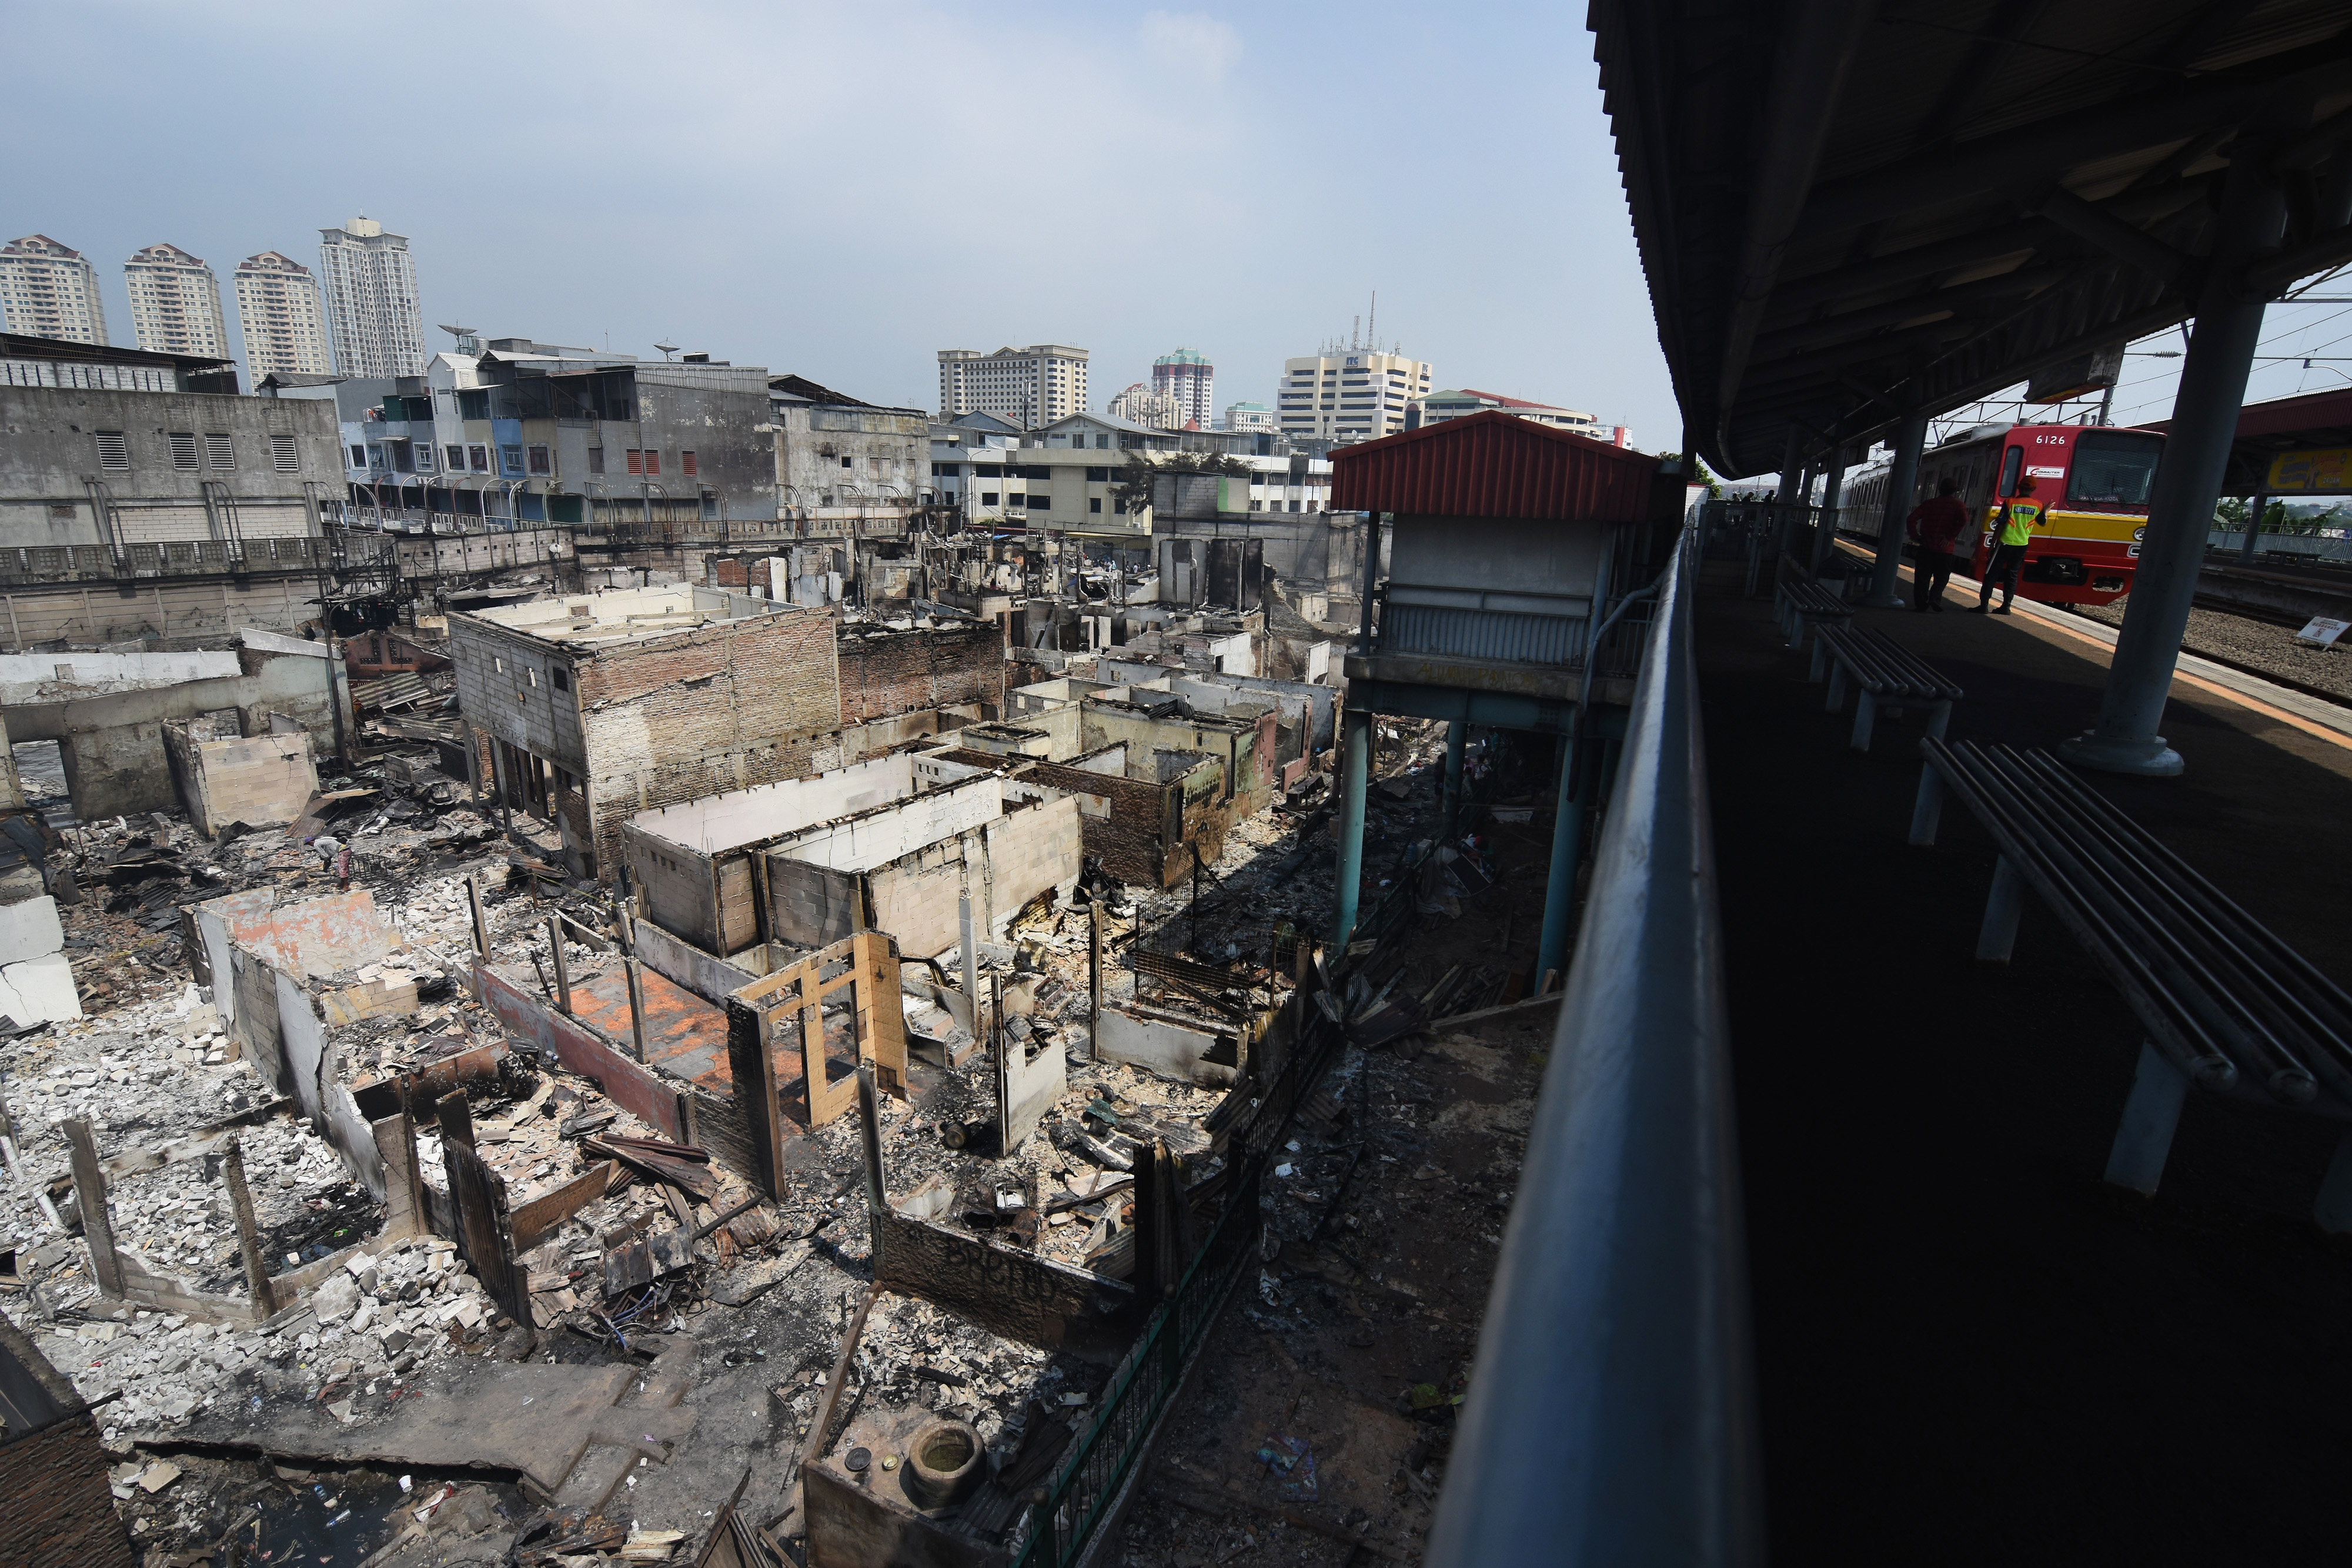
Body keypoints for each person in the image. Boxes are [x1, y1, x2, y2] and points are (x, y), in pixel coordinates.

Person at [1976, 474, 2047, 614]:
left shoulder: (2010, 503)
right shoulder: (2038, 505)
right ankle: (2006, 606)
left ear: (2019, 487)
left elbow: (2001, 524)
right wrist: (2046, 511)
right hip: (2022, 545)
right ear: (2034, 489)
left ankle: (1984, 605)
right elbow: (2043, 522)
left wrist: (1992, 546)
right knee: (2012, 575)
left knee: (1992, 573)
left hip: (2004, 544)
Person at [1905, 476, 1970, 612]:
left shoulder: (1929, 504)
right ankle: (1935, 598)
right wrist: (1950, 536)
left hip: (1926, 546)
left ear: (1940, 489)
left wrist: (1915, 536)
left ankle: (1922, 604)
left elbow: (1911, 519)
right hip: (1945, 549)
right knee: (1942, 577)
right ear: (1955, 491)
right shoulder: (1959, 505)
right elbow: (1964, 520)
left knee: (1922, 578)